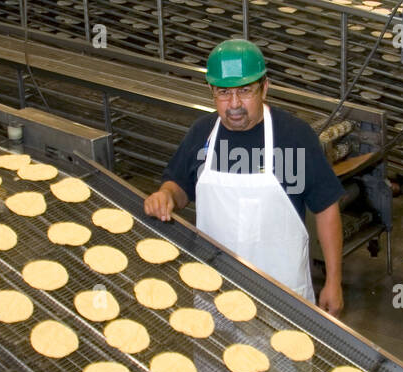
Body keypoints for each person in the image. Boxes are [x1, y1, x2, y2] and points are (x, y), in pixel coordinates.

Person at [145, 39, 346, 315]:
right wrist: (165, 195)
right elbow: (179, 186)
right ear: (212, 92)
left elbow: (326, 209)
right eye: (224, 93)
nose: (234, 105)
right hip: (215, 289)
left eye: (245, 91)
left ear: (265, 87)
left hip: (281, 294)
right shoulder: (202, 133)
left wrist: (334, 281)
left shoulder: (294, 137)